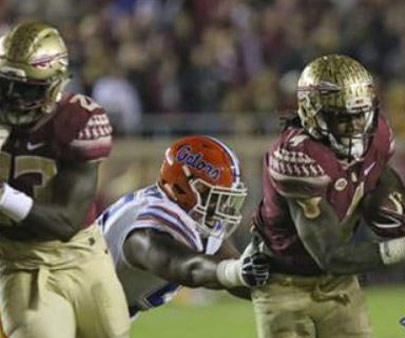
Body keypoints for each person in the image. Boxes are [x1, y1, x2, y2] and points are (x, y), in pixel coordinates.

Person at [250, 54, 405, 338]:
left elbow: (378, 173)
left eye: (360, 114)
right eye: (343, 117)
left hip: (339, 284)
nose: (356, 126)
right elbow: (331, 255)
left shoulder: (376, 133)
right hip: (284, 281)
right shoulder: (297, 155)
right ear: (313, 114)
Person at [0, 22, 129, 337]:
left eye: (28, 88)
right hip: (19, 261)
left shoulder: (76, 119)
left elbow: (65, 222)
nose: (14, 97)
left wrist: (3, 196)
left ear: (55, 85)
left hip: (80, 255)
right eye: (5, 85)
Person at [98, 135, 269, 318]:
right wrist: (236, 271)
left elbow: (236, 277)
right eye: (216, 197)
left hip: (100, 311)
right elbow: (185, 267)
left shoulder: (193, 219)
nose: (221, 207)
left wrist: (288, 284)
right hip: (73, 302)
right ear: (185, 188)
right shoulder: (152, 222)